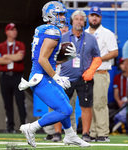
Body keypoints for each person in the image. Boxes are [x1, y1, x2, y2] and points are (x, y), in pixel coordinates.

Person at [18, 1, 90, 148]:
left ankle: (70, 135)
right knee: (65, 110)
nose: (63, 17)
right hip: (42, 78)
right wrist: (58, 77)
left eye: (63, 14)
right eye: (60, 14)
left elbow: (49, 58)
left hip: (43, 76)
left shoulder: (42, 29)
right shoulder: (53, 32)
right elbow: (42, 59)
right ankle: (31, 127)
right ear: (50, 15)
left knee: (65, 104)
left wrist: (66, 57)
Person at [56, 10, 102, 142]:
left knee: (86, 106)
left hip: (84, 78)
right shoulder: (62, 38)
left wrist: (91, 70)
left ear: (85, 22)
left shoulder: (91, 38)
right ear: (71, 22)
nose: (79, 21)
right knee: (60, 105)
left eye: (81, 19)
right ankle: (57, 133)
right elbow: (53, 57)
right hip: (65, 77)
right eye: (76, 19)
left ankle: (86, 133)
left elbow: (97, 57)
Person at [85, 6, 118, 142]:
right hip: (86, 73)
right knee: (88, 104)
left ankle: (103, 133)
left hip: (100, 72)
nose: (94, 18)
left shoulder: (107, 33)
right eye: (92, 15)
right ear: (88, 17)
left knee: (100, 103)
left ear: (101, 18)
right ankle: (92, 133)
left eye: (97, 16)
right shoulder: (84, 33)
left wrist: (97, 59)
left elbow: (114, 52)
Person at [0, 23, 26, 133]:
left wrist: (6, 56)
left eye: (15, 29)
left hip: (17, 76)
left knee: (20, 101)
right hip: (5, 77)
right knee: (7, 102)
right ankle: (10, 126)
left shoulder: (20, 44)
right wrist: (11, 58)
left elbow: (20, 56)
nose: (15, 31)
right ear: (7, 32)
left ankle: (24, 125)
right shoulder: (0, 46)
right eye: (12, 29)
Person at [43, 23, 70, 142]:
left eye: (65, 27)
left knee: (68, 105)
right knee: (53, 105)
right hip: (54, 75)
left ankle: (70, 132)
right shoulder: (52, 39)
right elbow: (45, 58)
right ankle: (54, 132)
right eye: (61, 27)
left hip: (67, 76)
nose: (63, 29)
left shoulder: (71, 40)